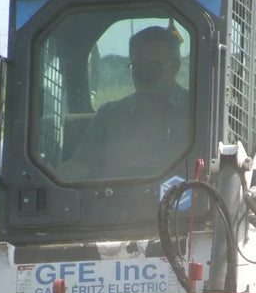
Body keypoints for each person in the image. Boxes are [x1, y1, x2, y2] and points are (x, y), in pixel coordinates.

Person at [64, 25, 190, 179]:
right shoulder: (110, 116)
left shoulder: (197, 111)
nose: (144, 75)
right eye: (137, 67)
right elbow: (80, 166)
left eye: (152, 68)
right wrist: (50, 179)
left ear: (175, 67)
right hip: (112, 200)